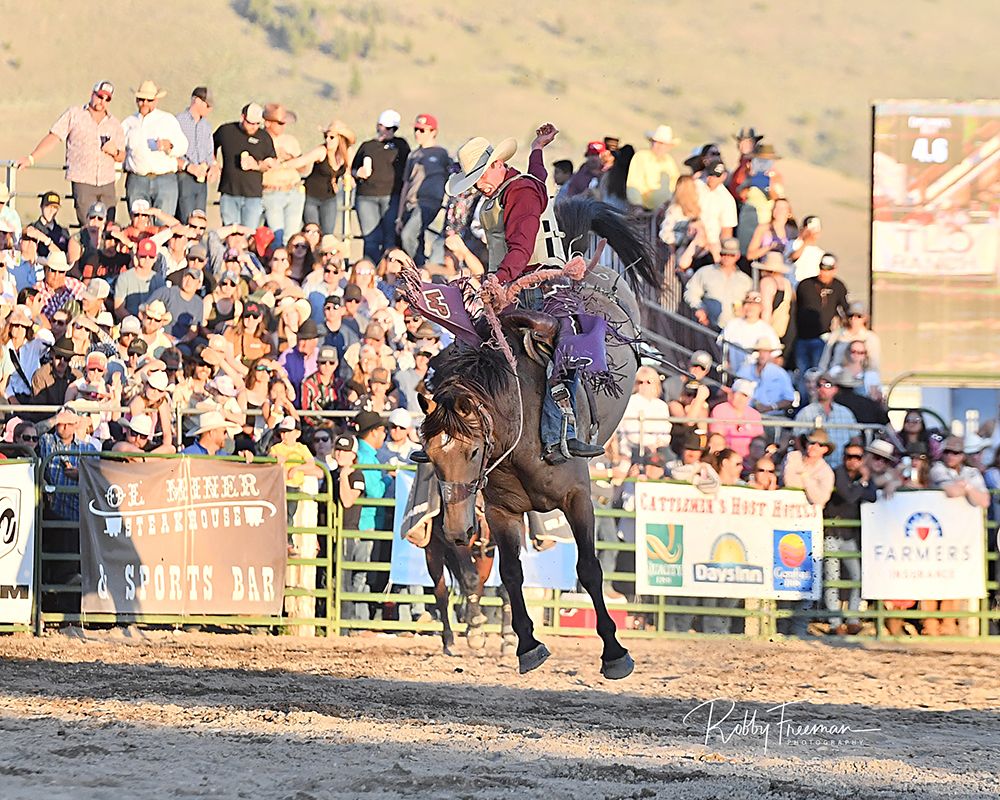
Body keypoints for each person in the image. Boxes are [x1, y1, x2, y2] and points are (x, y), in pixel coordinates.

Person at [438, 123, 604, 464]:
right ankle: (450, 430)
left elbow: (522, 246)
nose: (478, 186)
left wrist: (499, 278)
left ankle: (561, 434)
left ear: (498, 165)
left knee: (563, 352)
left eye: (480, 177)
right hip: (509, 286)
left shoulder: (519, 193)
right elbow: (539, 179)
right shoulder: (514, 189)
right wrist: (538, 150)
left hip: (538, 286)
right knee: (468, 350)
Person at [17, 81, 125, 225]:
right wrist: (31, 158)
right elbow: (54, 137)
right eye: (100, 96)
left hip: (107, 182)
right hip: (82, 180)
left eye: (107, 99)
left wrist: (115, 152)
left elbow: (122, 155)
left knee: (109, 226)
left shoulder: (114, 124)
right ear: (92, 94)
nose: (102, 101)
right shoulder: (74, 115)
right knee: (87, 226)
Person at [923, 435, 990, 636]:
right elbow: (950, 491)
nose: (951, 456)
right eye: (948, 452)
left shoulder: (972, 473)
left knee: (952, 577)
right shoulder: (937, 469)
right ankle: (930, 625)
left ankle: (949, 625)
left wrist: (966, 487)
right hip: (937, 531)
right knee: (931, 576)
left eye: (956, 452)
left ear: (963, 455)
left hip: (958, 533)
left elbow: (984, 500)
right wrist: (967, 488)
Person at [824, 441, 876, 635]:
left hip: (849, 535)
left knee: (857, 577)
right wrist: (862, 482)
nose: (853, 461)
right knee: (832, 578)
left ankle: (853, 617)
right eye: (849, 457)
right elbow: (849, 496)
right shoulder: (837, 474)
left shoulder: (862, 477)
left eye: (857, 457)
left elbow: (871, 496)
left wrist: (862, 484)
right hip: (833, 532)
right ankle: (834, 622)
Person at [344, 411, 390, 623]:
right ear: (373, 433)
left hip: (366, 520)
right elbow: (375, 491)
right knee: (361, 572)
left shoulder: (364, 456)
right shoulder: (366, 458)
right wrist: (388, 480)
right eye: (382, 431)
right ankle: (358, 620)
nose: (384, 435)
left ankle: (358, 617)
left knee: (361, 571)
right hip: (367, 521)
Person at [121, 80, 187, 216]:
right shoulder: (128, 123)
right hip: (137, 178)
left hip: (164, 179)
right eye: (141, 100)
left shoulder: (167, 120)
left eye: (148, 100)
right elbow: (121, 149)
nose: (144, 103)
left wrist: (169, 146)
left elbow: (183, 145)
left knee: (163, 224)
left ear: (155, 101)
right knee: (139, 222)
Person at [352, 109, 410, 262]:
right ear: (378, 126)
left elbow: (408, 169)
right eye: (383, 127)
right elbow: (352, 168)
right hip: (366, 196)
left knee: (390, 238)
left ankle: (388, 272)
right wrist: (359, 173)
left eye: (391, 129)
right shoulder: (367, 146)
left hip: (391, 196)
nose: (386, 131)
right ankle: (370, 271)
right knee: (371, 238)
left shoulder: (401, 145)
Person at [286, 119, 356, 237]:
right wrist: (281, 165)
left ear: (341, 139)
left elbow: (348, 170)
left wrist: (349, 178)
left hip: (329, 199)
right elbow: (302, 161)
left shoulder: (348, 153)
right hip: (311, 197)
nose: (328, 140)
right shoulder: (321, 151)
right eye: (326, 136)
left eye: (332, 137)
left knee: (328, 234)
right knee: (312, 232)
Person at [396, 113, 450, 267]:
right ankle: (420, 271)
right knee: (415, 238)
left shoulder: (441, 154)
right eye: (416, 129)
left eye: (422, 130)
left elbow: (451, 175)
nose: (417, 133)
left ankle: (417, 269)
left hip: (428, 202)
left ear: (433, 132)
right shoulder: (413, 155)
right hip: (410, 202)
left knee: (408, 235)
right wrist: (399, 216)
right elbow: (406, 185)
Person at [214, 103, 278, 226]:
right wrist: (214, 163)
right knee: (230, 231)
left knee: (249, 233)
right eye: (250, 123)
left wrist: (257, 165)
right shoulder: (226, 130)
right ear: (242, 117)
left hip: (253, 195)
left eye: (257, 124)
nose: (254, 127)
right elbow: (210, 146)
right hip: (229, 192)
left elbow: (271, 163)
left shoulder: (264, 137)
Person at [794, 253, 849, 391]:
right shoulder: (805, 285)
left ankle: (817, 401)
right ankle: (804, 405)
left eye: (828, 270)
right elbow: (795, 309)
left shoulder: (838, 286)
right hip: (802, 337)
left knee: (819, 373)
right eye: (823, 269)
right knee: (803, 374)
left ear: (834, 270)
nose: (825, 273)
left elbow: (845, 310)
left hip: (822, 337)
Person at [683, 237, 753, 328]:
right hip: (708, 326)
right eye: (724, 254)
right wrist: (699, 308)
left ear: (737, 256)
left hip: (735, 330)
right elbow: (691, 292)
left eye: (731, 255)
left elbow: (752, 304)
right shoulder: (705, 272)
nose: (727, 257)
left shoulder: (745, 280)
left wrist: (745, 311)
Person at [261, 103, 305, 243]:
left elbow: (303, 167)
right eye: (279, 123)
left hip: (293, 190)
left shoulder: (291, 140)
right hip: (272, 191)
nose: (283, 126)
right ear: (268, 123)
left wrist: (291, 159)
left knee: (292, 236)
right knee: (276, 235)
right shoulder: (260, 140)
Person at [794, 373, 858, 468]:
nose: (822, 389)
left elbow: (855, 439)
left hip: (841, 465)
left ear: (835, 389)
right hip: (814, 465)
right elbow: (797, 439)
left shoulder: (846, 413)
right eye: (819, 385)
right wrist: (805, 459)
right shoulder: (805, 412)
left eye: (827, 385)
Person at [175, 87, 219, 221]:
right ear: (197, 101)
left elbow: (210, 152)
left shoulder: (206, 126)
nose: (209, 109)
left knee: (200, 218)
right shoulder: (178, 121)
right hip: (184, 175)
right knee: (186, 217)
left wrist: (212, 166)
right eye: (207, 105)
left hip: (202, 178)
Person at [719, 290, 779, 374]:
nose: (750, 307)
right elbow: (722, 348)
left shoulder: (767, 330)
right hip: (733, 375)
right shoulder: (732, 325)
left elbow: (775, 356)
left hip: (755, 378)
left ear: (761, 307)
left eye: (754, 304)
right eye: (747, 303)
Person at [625, 124, 680, 211]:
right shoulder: (641, 156)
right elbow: (634, 183)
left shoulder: (669, 161)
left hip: (665, 209)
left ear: (668, 146)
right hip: (643, 209)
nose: (658, 146)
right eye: (655, 142)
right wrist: (637, 205)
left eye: (662, 143)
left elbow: (675, 182)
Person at [619, 366, 672, 456]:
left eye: (648, 382)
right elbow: (631, 431)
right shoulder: (630, 402)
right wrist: (649, 444)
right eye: (640, 382)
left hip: (659, 449)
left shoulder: (662, 405)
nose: (644, 385)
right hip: (632, 450)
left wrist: (656, 445)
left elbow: (665, 432)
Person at [819, 301, 882, 374]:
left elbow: (874, 363)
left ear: (865, 318)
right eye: (850, 316)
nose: (853, 319)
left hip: (859, 378)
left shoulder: (871, 337)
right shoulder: (836, 335)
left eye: (858, 316)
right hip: (836, 376)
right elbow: (825, 359)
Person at [737, 338, 794, 417]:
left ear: (770, 353)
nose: (762, 355)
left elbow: (789, 399)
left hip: (772, 416)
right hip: (747, 415)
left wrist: (770, 407)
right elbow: (735, 392)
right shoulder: (744, 370)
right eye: (760, 351)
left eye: (765, 352)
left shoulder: (780, 373)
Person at [709, 379, 765, 458]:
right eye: (736, 393)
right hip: (726, 454)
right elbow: (717, 436)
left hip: (749, 457)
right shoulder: (720, 409)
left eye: (744, 395)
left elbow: (759, 437)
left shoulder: (754, 415)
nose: (739, 397)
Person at [113, 238, 167, 320]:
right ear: (137, 256)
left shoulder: (159, 280)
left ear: (155, 258)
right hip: (128, 324)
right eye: (143, 256)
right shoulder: (124, 278)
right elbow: (118, 308)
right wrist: (134, 321)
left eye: (151, 257)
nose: (147, 259)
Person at [695, 160, 738, 261]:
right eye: (710, 175)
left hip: (711, 247)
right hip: (690, 239)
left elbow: (726, 232)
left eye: (716, 176)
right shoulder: (696, 186)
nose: (712, 179)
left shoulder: (727, 199)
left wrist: (723, 254)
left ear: (724, 177)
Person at [26, 191, 70, 258]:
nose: (51, 211)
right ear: (41, 206)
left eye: (55, 207)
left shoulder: (63, 232)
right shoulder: (32, 228)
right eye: (48, 206)